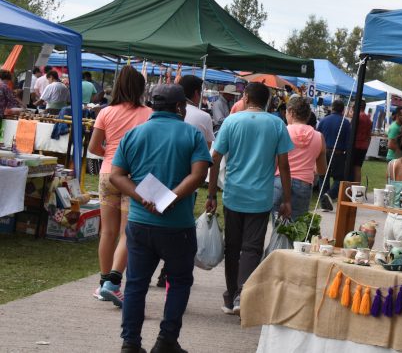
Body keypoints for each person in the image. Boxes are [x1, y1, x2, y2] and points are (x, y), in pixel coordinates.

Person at [110, 84, 211, 353]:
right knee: (178, 282)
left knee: (135, 284)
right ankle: (166, 340)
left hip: (140, 224)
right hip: (178, 226)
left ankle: (130, 343)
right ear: (180, 108)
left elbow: (116, 175)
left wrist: (141, 197)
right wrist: (173, 198)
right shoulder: (191, 134)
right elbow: (199, 174)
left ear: (152, 105)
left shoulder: (134, 134)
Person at [206, 82, 293, 315]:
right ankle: (242, 295)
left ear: (245, 97)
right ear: (266, 101)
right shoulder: (277, 123)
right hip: (261, 197)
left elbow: (215, 158)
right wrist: (287, 198)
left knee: (232, 247)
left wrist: (212, 193)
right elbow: (284, 165)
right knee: (252, 248)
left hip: (234, 194)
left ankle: (230, 295)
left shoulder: (231, 122)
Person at [88, 66, 152, 306]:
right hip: (132, 178)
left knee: (107, 231)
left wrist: (110, 156)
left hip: (107, 174)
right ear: (140, 89)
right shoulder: (148, 113)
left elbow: (94, 147)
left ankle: (103, 282)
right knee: (127, 232)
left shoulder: (106, 112)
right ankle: (114, 282)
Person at [273, 96, 327, 221]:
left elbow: (273, 162)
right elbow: (322, 170)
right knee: (297, 227)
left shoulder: (281, 131)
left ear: (291, 112)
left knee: (277, 224)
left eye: (286, 112)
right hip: (303, 184)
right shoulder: (319, 137)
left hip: (279, 181)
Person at [317, 99, 352, 211]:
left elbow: (318, 136)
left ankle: (324, 201)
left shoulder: (323, 120)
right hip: (338, 153)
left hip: (324, 151)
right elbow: (348, 141)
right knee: (340, 178)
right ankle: (330, 195)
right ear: (342, 110)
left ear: (332, 108)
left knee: (323, 176)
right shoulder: (346, 123)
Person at [179, 75, 215, 149]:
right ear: (196, 93)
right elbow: (207, 148)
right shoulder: (205, 116)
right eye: (200, 92)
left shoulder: (169, 111)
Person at [350, 99, 372, 182]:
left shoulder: (357, 117)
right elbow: (369, 136)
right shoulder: (369, 119)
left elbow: (351, 131)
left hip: (354, 145)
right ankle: (357, 188)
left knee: (350, 167)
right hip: (364, 146)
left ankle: (349, 187)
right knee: (358, 168)